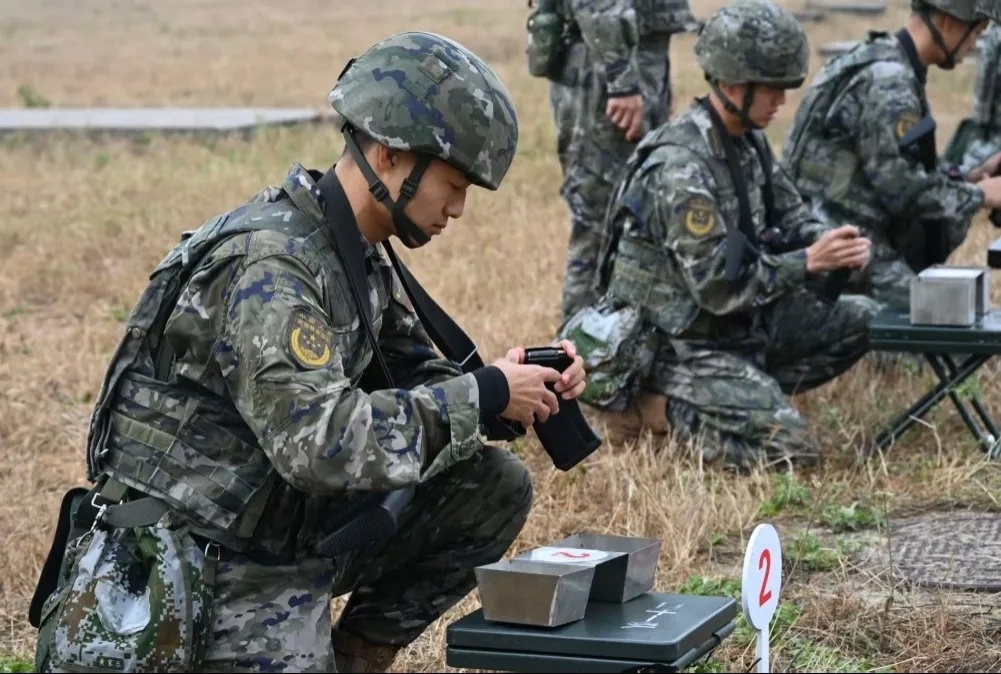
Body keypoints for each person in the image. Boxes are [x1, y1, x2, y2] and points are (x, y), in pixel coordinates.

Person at [33, 31, 587, 673]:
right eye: (453, 184)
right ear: (388, 155)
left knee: (490, 485)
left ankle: (352, 658)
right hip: (194, 557)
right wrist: (481, 394)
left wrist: (506, 392)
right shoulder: (273, 268)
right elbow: (321, 446)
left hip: (275, 524)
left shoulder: (350, 249)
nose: (457, 209)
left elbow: (402, 371)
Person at [560, 0, 880, 472]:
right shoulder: (682, 166)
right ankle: (653, 408)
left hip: (734, 327)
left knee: (863, 319)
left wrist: (836, 243)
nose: (781, 102)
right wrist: (808, 261)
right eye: (771, 89)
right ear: (732, 83)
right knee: (787, 450)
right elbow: (716, 287)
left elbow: (793, 216)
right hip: (676, 342)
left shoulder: (746, 140)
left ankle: (739, 395)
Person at [782, 0, 1001, 311]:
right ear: (948, 22)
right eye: (975, 33)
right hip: (836, 243)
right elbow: (905, 193)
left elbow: (901, 168)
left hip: (846, 230)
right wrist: (981, 195)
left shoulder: (891, 62)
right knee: (944, 315)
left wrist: (970, 177)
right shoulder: (889, 81)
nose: (973, 47)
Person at [549, 0, 694, 323]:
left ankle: (615, 345)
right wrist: (622, 81)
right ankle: (574, 352)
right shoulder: (618, 76)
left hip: (631, 60)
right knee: (599, 223)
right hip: (607, 68)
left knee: (636, 218)